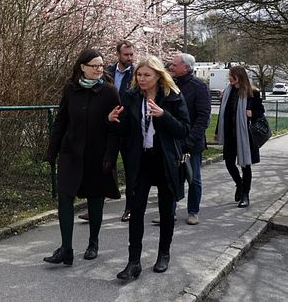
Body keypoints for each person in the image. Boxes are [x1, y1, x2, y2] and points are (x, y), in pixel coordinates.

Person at [108, 56, 190, 279]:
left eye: (147, 75)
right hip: (140, 160)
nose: (141, 79)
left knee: (166, 210)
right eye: (139, 75)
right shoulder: (131, 96)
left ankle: (164, 253)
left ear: (158, 76)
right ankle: (133, 261)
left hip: (164, 160)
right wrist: (112, 120)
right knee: (136, 211)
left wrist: (163, 116)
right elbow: (123, 130)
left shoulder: (172, 97)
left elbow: (184, 129)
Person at [44, 49, 121, 266]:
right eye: (94, 65)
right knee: (65, 198)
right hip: (71, 153)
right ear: (82, 67)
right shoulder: (71, 89)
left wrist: (110, 156)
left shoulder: (109, 92)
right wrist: (52, 150)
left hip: (97, 155)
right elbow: (61, 121)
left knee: (95, 199)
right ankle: (66, 248)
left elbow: (116, 129)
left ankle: (93, 243)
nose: (99, 69)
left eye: (101, 65)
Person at [80, 40, 136, 222]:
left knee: (130, 170)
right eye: (126, 54)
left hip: (126, 128)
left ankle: (130, 208)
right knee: (102, 168)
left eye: (131, 54)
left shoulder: (136, 74)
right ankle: (95, 208)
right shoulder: (107, 72)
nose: (129, 58)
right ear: (118, 55)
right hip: (107, 127)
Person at [168, 53, 211, 225]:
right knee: (171, 177)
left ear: (186, 67)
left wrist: (190, 141)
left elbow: (203, 117)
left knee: (193, 178)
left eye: (174, 64)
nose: (171, 67)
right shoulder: (170, 84)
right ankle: (169, 211)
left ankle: (193, 211)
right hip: (173, 141)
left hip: (191, 143)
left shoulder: (199, 87)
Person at [214, 65, 265, 208]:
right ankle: (239, 184)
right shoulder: (227, 92)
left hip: (245, 136)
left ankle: (245, 195)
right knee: (229, 163)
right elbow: (223, 114)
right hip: (230, 135)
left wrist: (252, 113)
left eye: (232, 75)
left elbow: (260, 111)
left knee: (245, 166)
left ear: (239, 77)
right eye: (229, 75)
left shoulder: (252, 93)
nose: (229, 78)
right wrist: (218, 131)